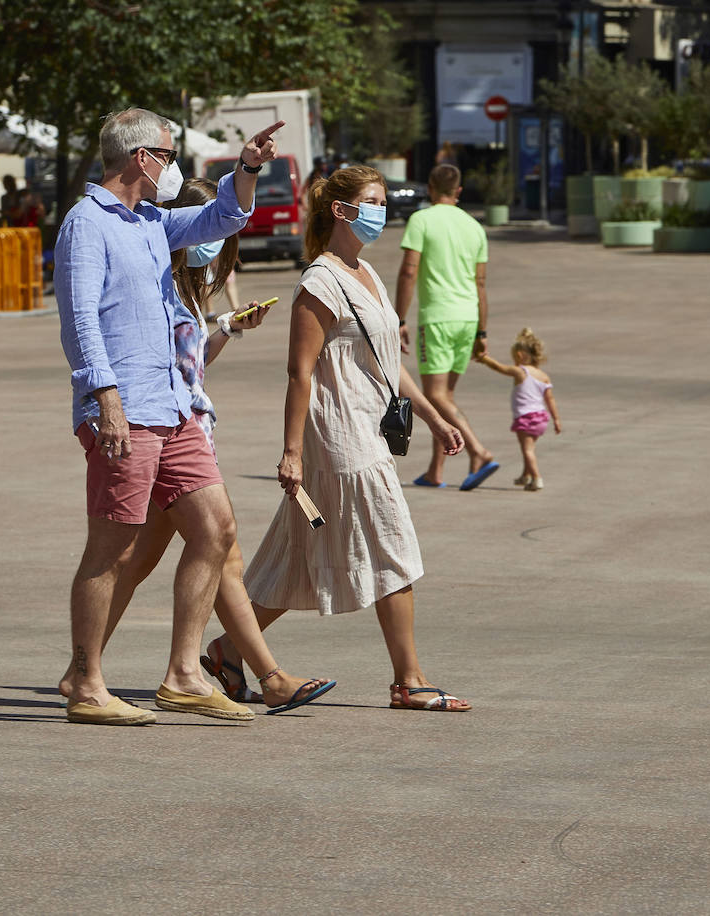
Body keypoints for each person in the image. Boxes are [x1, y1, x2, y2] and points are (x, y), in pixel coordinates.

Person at [59, 177, 335, 715]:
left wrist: (227, 327)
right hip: (136, 417)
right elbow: (81, 321)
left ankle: (181, 672)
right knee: (128, 552)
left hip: (182, 423)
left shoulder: (181, 285)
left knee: (197, 542)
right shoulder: (121, 240)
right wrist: (105, 399)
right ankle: (244, 670)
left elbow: (187, 366)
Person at [239, 164, 474, 713]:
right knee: (393, 546)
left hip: (366, 426)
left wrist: (437, 419)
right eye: (372, 200)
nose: (382, 210)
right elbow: (300, 373)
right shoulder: (320, 280)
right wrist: (291, 452)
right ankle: (409, 681)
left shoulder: (364, 272)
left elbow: (386, 364)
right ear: (342, 210)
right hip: (340, 437)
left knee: (299, 557)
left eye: (383, 199)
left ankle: (227, 651)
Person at [395, 163, 499, 492]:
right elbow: (481, 284)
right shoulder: (474, 227)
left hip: (438, 317)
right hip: (468, 317)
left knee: (435, 395)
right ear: (459, 191)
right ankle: (435, 470)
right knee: (446, 397)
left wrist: (398, 318)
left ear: (429, 187)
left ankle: (479, 451)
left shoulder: (421, 220)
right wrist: (482, 332)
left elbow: (409, 272)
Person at [473, 328, 561, 491]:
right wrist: (556, 419)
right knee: (530, 449)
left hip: (526, 417)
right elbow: (550, 399)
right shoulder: (543, 375)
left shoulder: (521, 371)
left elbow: (499, 368)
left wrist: (484, 359)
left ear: (520, 355)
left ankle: (537, 478)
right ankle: (526, 475)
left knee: (527, 450)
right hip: (541, 418)